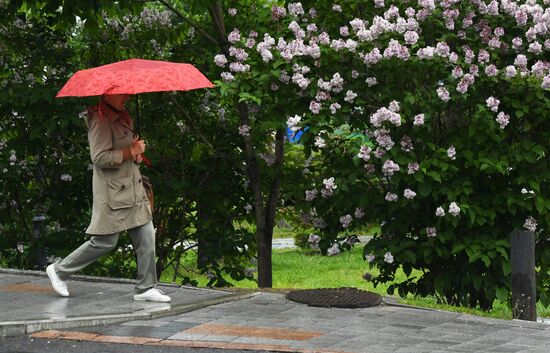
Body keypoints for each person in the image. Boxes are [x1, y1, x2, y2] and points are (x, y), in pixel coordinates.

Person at [46, 94, 170, 303]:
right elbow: (99, 157)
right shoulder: (100, 119)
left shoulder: (123, 116)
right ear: (108, 94)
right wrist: (130, 150)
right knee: (105, 242)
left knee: (147, 236)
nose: (127, 97)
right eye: (122, 94)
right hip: (113, 193)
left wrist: (136, 153)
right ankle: (59, 271)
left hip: (132, 188)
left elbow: (125, 151)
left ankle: (145, 288)